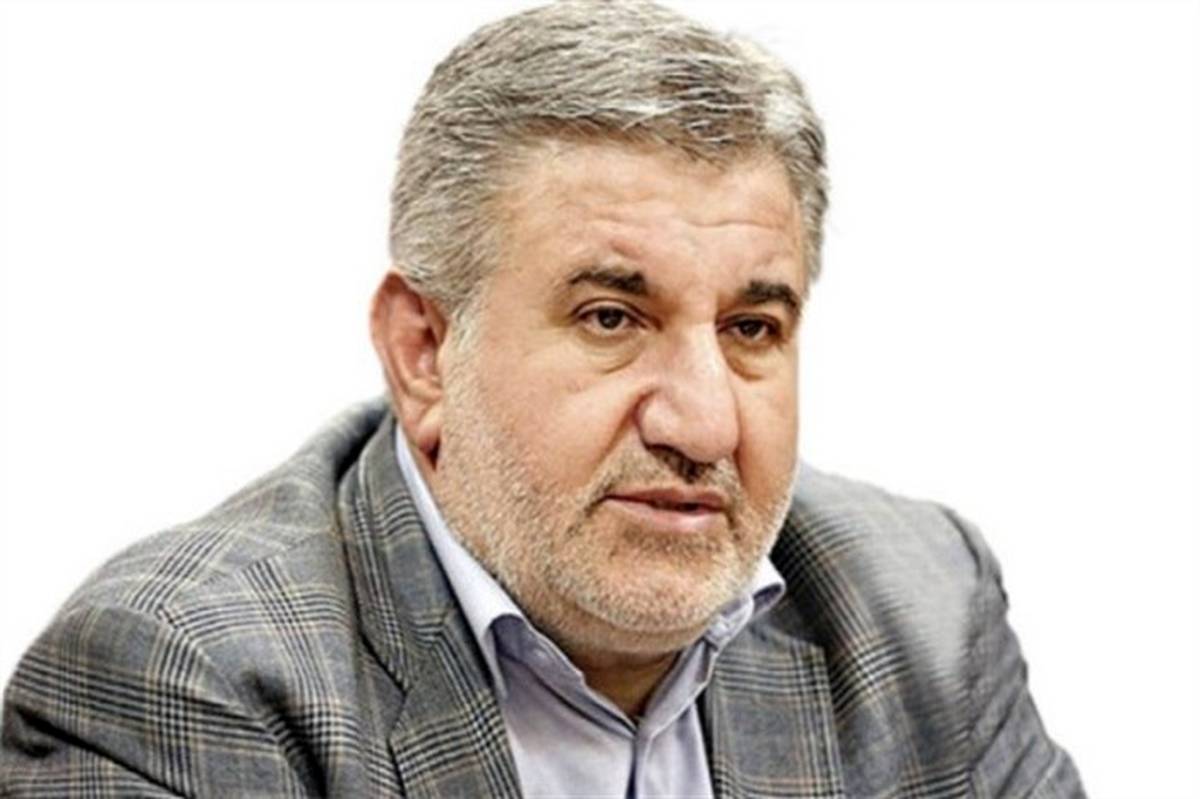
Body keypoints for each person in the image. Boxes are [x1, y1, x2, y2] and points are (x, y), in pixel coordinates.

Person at [0, 1, 1084, 796]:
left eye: (751, 329)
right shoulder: (185, 679)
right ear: (425, 351)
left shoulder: (921, 605)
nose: (703, 423)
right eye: (612, 318)